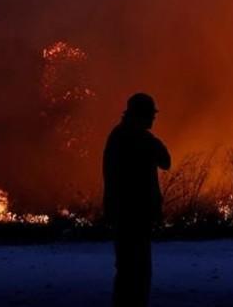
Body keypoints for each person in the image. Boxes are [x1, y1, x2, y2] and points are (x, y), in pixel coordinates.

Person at [102, 92, 171, 307]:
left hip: (124, 215)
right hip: (135, 215)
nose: (153, 119)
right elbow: (165, 161)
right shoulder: (141, 139)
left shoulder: (117, 136)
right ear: (141, 115)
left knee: (127, 271)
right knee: (137, 273)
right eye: (150, 114)